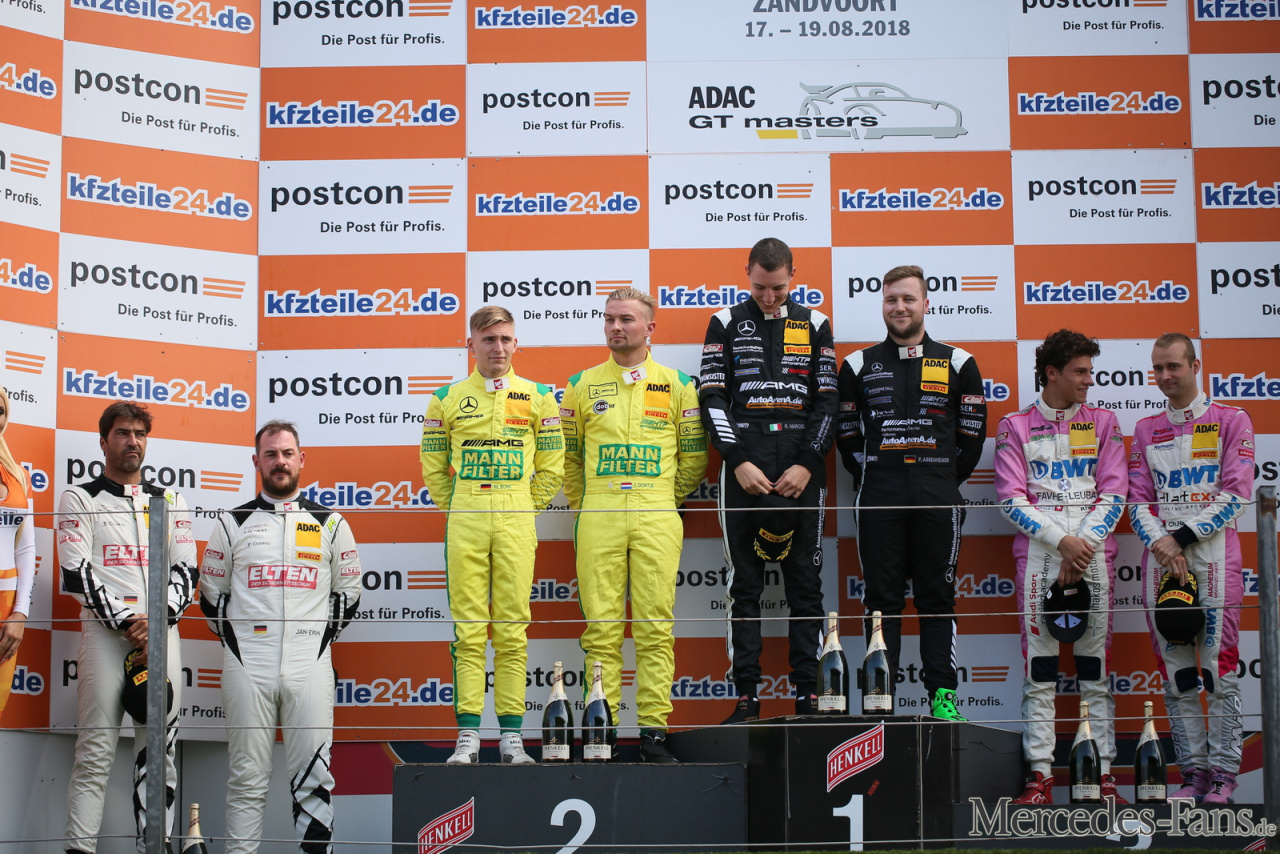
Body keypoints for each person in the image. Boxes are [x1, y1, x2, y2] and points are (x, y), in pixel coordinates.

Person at [200, 420, 362, 853]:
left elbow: (349, 594)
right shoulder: (233, 522)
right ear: (256, 461)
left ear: (301, 459)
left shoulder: (330, 522)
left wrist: (316, 642)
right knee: (246, 780)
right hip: (247, 664)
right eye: (270, 454)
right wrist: (241, 647)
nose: (280, 461)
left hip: (310, 663)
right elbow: (211, 597)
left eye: (287, 453)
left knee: (314, 779)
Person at [836, 264, 986, 722]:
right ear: (882, 305)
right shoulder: (858, 364)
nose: (899, 307)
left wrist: (940, 479)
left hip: (937, 497)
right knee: (881, 602)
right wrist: (874, 476)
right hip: (879, 496)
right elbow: (847, 435)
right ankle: (880, 701)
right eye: (891, 300)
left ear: (926, 303)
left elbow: (972, 438)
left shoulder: (959, 363)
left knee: (937, 599)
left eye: (908, 299)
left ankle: (943, 698)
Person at [562, 288, 707, 761]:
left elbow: (694, 459)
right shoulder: (581, 385)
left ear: (650, 327)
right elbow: (568, 457)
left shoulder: (678, 385)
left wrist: (661, 498)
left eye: (626, 319)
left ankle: (653, 734)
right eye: (609, 319)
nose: (615, 327)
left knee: (654, 627)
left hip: (657, 510)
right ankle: (599, 733)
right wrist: (588, 505)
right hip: (599, 512)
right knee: (600, 630)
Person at [699, 237, 838, 723]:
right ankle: (746, 699)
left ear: (792, 276)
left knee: (806, 583)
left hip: (802, 461)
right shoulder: (724, 321)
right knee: (744, 585)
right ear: (747, 273)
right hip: (746, 459)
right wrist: (737, 459)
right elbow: (711, 396)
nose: (769, 296)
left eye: (778, 288)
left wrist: (809, 462)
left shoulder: (816, 323)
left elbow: (828, 401)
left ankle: (809, 698)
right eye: (760, 287)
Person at [420, 306, 564, 763]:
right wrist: (459, 506)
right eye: (488, 339)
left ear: (516, 343)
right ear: (471, 345)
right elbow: (433, 468)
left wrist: (522, 505)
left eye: (504, 339)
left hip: (516, 516)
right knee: (467, 631)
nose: (497, 348)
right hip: (466, 515)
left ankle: (511, 737)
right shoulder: (445, 398)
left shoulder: (540, 397)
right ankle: (467, 735)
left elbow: (552, 468)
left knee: (512, 630)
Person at [994, 330, 1127, 804]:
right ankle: (1040, 775)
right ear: (1052, 373)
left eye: (1090, 371)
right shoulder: (1015, 426)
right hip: (1040, 558)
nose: (1089, 380)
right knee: (1041, 669)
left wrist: (1081, 546)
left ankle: (1101, 775)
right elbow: (1010, 499)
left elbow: (1115, 493)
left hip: (1092, 557)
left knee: (1094, 669)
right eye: (1080, 372)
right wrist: (1062, 542)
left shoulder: (1104, 422)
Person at [61, 401, 197, 854]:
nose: (132, 441)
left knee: (158, 752)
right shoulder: (79, 498)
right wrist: (128, 621)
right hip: (105, 635)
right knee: (95, 751)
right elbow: (76, 573)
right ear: (104, 442)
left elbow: (187, 571)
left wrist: (156, 622)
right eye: (122, 433)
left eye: (140, 433)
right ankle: (79, 848)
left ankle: (153, 848)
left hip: (161, 635)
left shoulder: (171, 501)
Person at [1129, 332, 1254, 804]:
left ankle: (1224, 776)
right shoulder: (1146, 429)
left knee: (1220, 671)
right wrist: (1163, 545)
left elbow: (1237, 494)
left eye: (1173, 366)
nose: (1164, 376)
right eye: (1158, 368)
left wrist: (1179, 538)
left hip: (1213, 555)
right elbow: (1138, 501)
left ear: (1195, 366)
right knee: (1176, 673)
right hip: (1161, 560)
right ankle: (1193, 774)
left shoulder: (1231, 420)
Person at [0, 386, 35, 720]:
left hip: (6, 603)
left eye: (0, 411)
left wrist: (20, 614)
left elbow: (25, 549)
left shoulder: (20, 476)